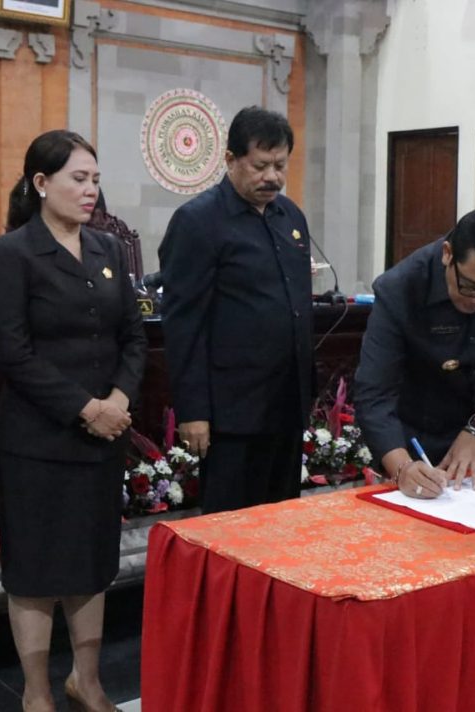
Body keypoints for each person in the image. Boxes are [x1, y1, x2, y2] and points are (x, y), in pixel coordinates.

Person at [0, 130, 145, 712]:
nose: (90, 191)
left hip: (104, 436)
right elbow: (12, 352)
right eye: (79, 179)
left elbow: (134, 335)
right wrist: (85, 408)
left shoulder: (108, 250)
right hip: (40, 438)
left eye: (96, 180)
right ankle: (36, 689)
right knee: (36, 569)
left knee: (91, 562)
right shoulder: (12, 253)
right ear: (41, 183)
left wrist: (120, 399)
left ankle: (89, 678)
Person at [158, 106, 313, 514]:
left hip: (285, 406)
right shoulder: (198, 221)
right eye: (260, 165)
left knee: (282, 521)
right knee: (232, 528)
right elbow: (184, 323)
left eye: (280, 165)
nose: (273, 177)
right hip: (231, 414)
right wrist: (193, 411)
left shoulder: (290, 217)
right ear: (230, 160)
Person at [355, 205, 475, 498]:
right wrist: (402, 468)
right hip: (420, 441)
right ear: (448, 254)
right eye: (471, 287)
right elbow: (374, 392)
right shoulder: (401, 287)